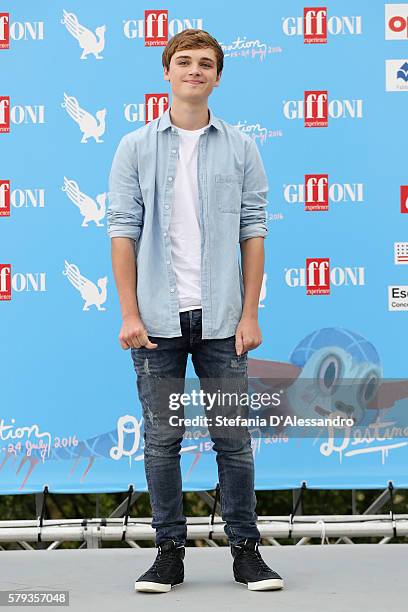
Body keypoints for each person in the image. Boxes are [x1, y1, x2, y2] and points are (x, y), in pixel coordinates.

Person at [107, 28, 284, 594]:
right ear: (166, 71)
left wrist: (249, 314)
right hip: (156, 323)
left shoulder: (241, 147)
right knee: (162, 442)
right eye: (184, 61)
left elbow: (253, 232)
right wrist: (129, 314)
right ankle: (168, 553)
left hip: (222, 322)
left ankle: (246, 552)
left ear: (218, 76)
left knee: (233, 439)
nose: (194, 70)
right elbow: (123, 233)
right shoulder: (134, 147)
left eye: (206, 63)